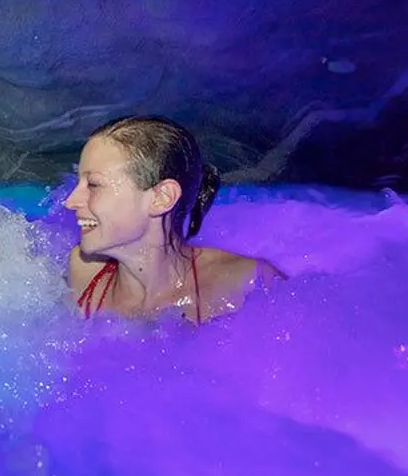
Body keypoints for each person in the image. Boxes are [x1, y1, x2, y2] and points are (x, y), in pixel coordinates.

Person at [64, 115, 282, 324]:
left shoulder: (247, 285)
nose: (70, 201)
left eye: (93, 185)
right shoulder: (83, 272)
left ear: (161, 198)